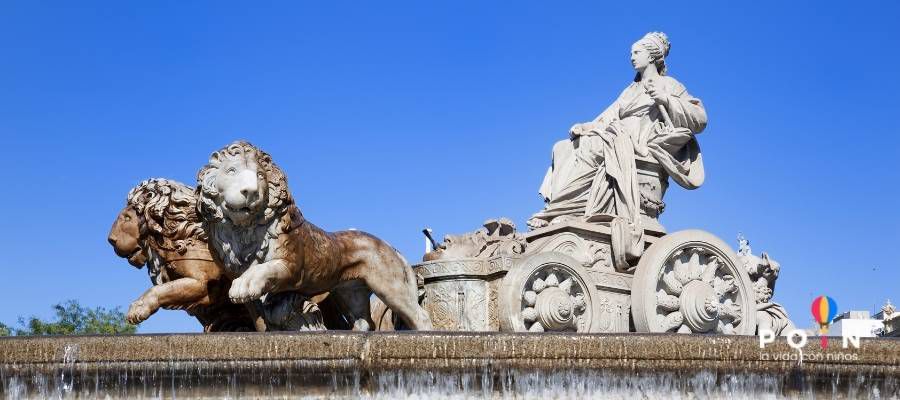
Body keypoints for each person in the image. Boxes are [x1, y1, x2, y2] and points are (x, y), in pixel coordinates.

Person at [528, 32, 708, 271]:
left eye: (637, 52)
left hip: (638, 146)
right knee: (562, 147)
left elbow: (700, 119)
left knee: (592, 146)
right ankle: (558, 212)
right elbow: (609, 115)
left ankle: (563, 211)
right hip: (616, 136)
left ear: (652, 55)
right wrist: (587, 126)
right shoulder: (630, 90)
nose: (631, 57)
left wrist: (666, 99)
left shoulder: (670, 85)